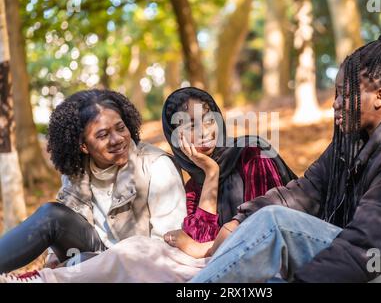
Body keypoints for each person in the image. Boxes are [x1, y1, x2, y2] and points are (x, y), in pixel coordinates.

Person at [189, 28, 381, 283]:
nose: (335, 103)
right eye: (336, 94)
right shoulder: (353, 146)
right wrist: (239, 221)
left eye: (345, 94)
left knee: (275, 224)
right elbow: (304, 193)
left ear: (379, 98)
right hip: (365, 263)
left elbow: (367, 248)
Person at [0, 87, 296, 282]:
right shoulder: (195, 184)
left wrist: (198, 246)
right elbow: (189, 242)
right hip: (103, 263)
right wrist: (211, 176)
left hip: (240, 271)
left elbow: (260, 231)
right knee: (53, 215)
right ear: (83, 146)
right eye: (189, 126)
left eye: (208, 120)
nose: (204, 132)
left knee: (133, 251)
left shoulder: (251, 153)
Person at [0, 89, 186, 274]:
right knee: (52, 215)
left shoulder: (157, 166)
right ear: (83, 145)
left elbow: (168, 244)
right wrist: (54, 258)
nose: (117, 139)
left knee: (79, 260)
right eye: (103, 135)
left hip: (138, 267)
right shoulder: (76, 172)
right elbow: (68, 226)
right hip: (92, 257)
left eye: (121, 128)